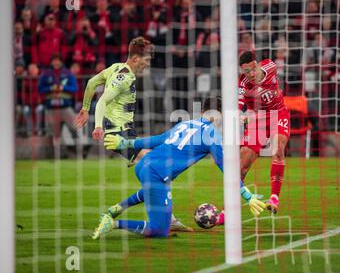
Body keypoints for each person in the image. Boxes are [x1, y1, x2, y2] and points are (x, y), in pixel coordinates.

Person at [91, 98, 266, 239]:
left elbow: (157, 139)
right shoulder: (212, 135)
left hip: (144, 165)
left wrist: (126, 143)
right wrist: (247, 196)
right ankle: (114, 223)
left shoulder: (186, 124)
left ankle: (117, 209)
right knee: (159, 230)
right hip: (156, 173)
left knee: (153, 191)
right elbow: (227, 170)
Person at [73, 36, 191, 232]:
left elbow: (92, 83)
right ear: (136, 58)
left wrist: (85, 108)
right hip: (118, 134)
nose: (148, 64)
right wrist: (98, 126)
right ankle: (163, 219)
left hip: (125, 133)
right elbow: (102, 101)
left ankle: (120, 211)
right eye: (146, 60)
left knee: (156, 172)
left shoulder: (115, 67)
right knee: (157, 169)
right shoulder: (124, 77)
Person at [237, 51, 291, 213]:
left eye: (253, 69)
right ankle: (228, 209)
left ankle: (274, 198)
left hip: (279, 113)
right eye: (246, 71)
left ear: (258, 64)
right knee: (242, 166)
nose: (251, 74)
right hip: (258, 120)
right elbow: (239, 103)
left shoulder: (270, 66)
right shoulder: (243, 84)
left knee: (278, 149)